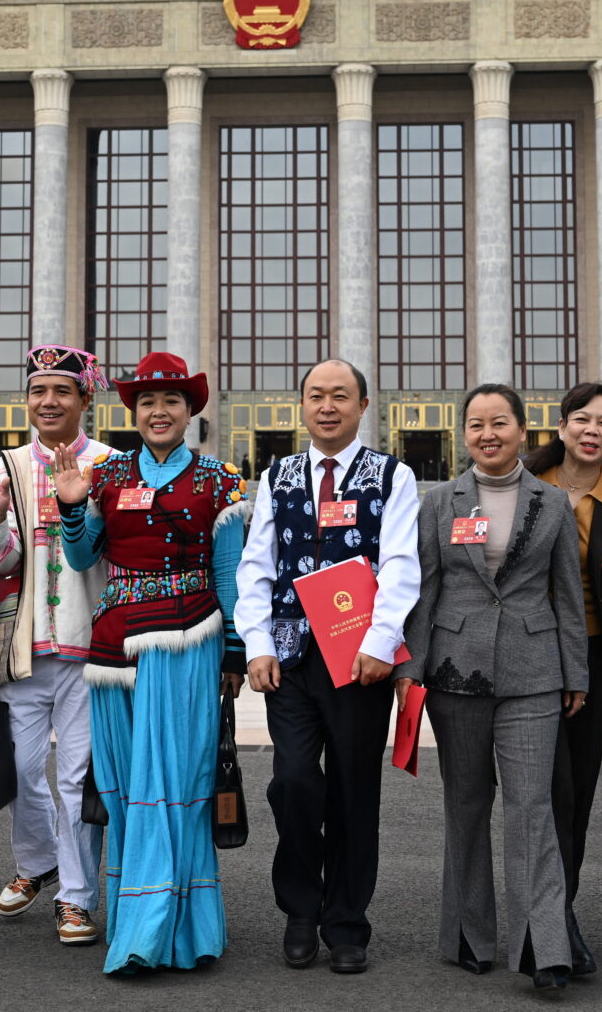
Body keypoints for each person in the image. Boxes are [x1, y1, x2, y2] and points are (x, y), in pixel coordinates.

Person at [53, 350, 247, 974]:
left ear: (191, 411)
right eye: (146, 402)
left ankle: (162, 932)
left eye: (171, 401)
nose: (158, 412)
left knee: (178, 785)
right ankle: (140, 919)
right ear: (132, 412)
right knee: (128, 787)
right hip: (114, 650)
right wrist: (73, 507)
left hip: (190, 641)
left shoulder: (221, 480)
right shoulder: (104, 476)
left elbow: (228, 572)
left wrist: (237, 648)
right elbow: (83, 560)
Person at [236, 359, 422, 975]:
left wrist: (381, 639)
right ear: (303, 405)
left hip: (358, 659)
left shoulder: (391, 476)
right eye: (316, 395)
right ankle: (298, 908)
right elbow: (256, 566)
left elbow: (399, 564)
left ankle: (345, 921)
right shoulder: (279, 475)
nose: (327, 406)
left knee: (352, 790)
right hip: (289, 656)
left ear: (363, 405)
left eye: (340, 396)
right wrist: (256, 643)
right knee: (291, 783)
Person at [399, 383, 585, 992]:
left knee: (532, 808)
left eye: (499, 422)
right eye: (476, 424)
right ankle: (467, 936)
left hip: (534, 671)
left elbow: (568, 596)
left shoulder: (553, 502)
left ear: (523, 430)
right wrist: (410, 671)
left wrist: (574, 672)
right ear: (464, 433)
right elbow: (423, 592)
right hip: (454, 670)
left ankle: (545, 946)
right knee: (466, 805)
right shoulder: (439, 502)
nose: (487, 434)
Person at [0, 347, 114, 945]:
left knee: (76, 778)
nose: (49, 402)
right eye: (39, 392)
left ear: (85, 399)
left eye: (62, 391)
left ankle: (76, 897)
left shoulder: (114, 465)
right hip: (21, 650)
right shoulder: (4, 467)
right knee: (20, 769)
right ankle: (38, 862)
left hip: (91, 648)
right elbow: (0, 564)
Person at [527, 381, 602, 975]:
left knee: (572, 793)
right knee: (537, 793)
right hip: (522, 658)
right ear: (562, 426)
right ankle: (539, 916)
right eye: (582, 419)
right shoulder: (525, 486)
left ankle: (561, 914)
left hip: (593, 662)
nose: (592, 430)